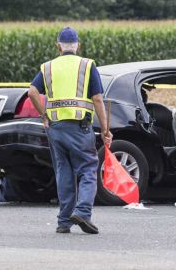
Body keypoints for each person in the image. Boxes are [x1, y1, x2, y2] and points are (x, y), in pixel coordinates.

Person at [27, 27, 112, 234]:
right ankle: (82, 212)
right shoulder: (87, 65)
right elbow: (98, 99)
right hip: (79, 128)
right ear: (78, 46)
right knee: (88, 169)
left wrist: (44, 115)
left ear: (58, 47)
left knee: (63, 171)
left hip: (55, 129)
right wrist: (105, 129)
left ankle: (64, 221)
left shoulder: (48, 67)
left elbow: (32, 92)